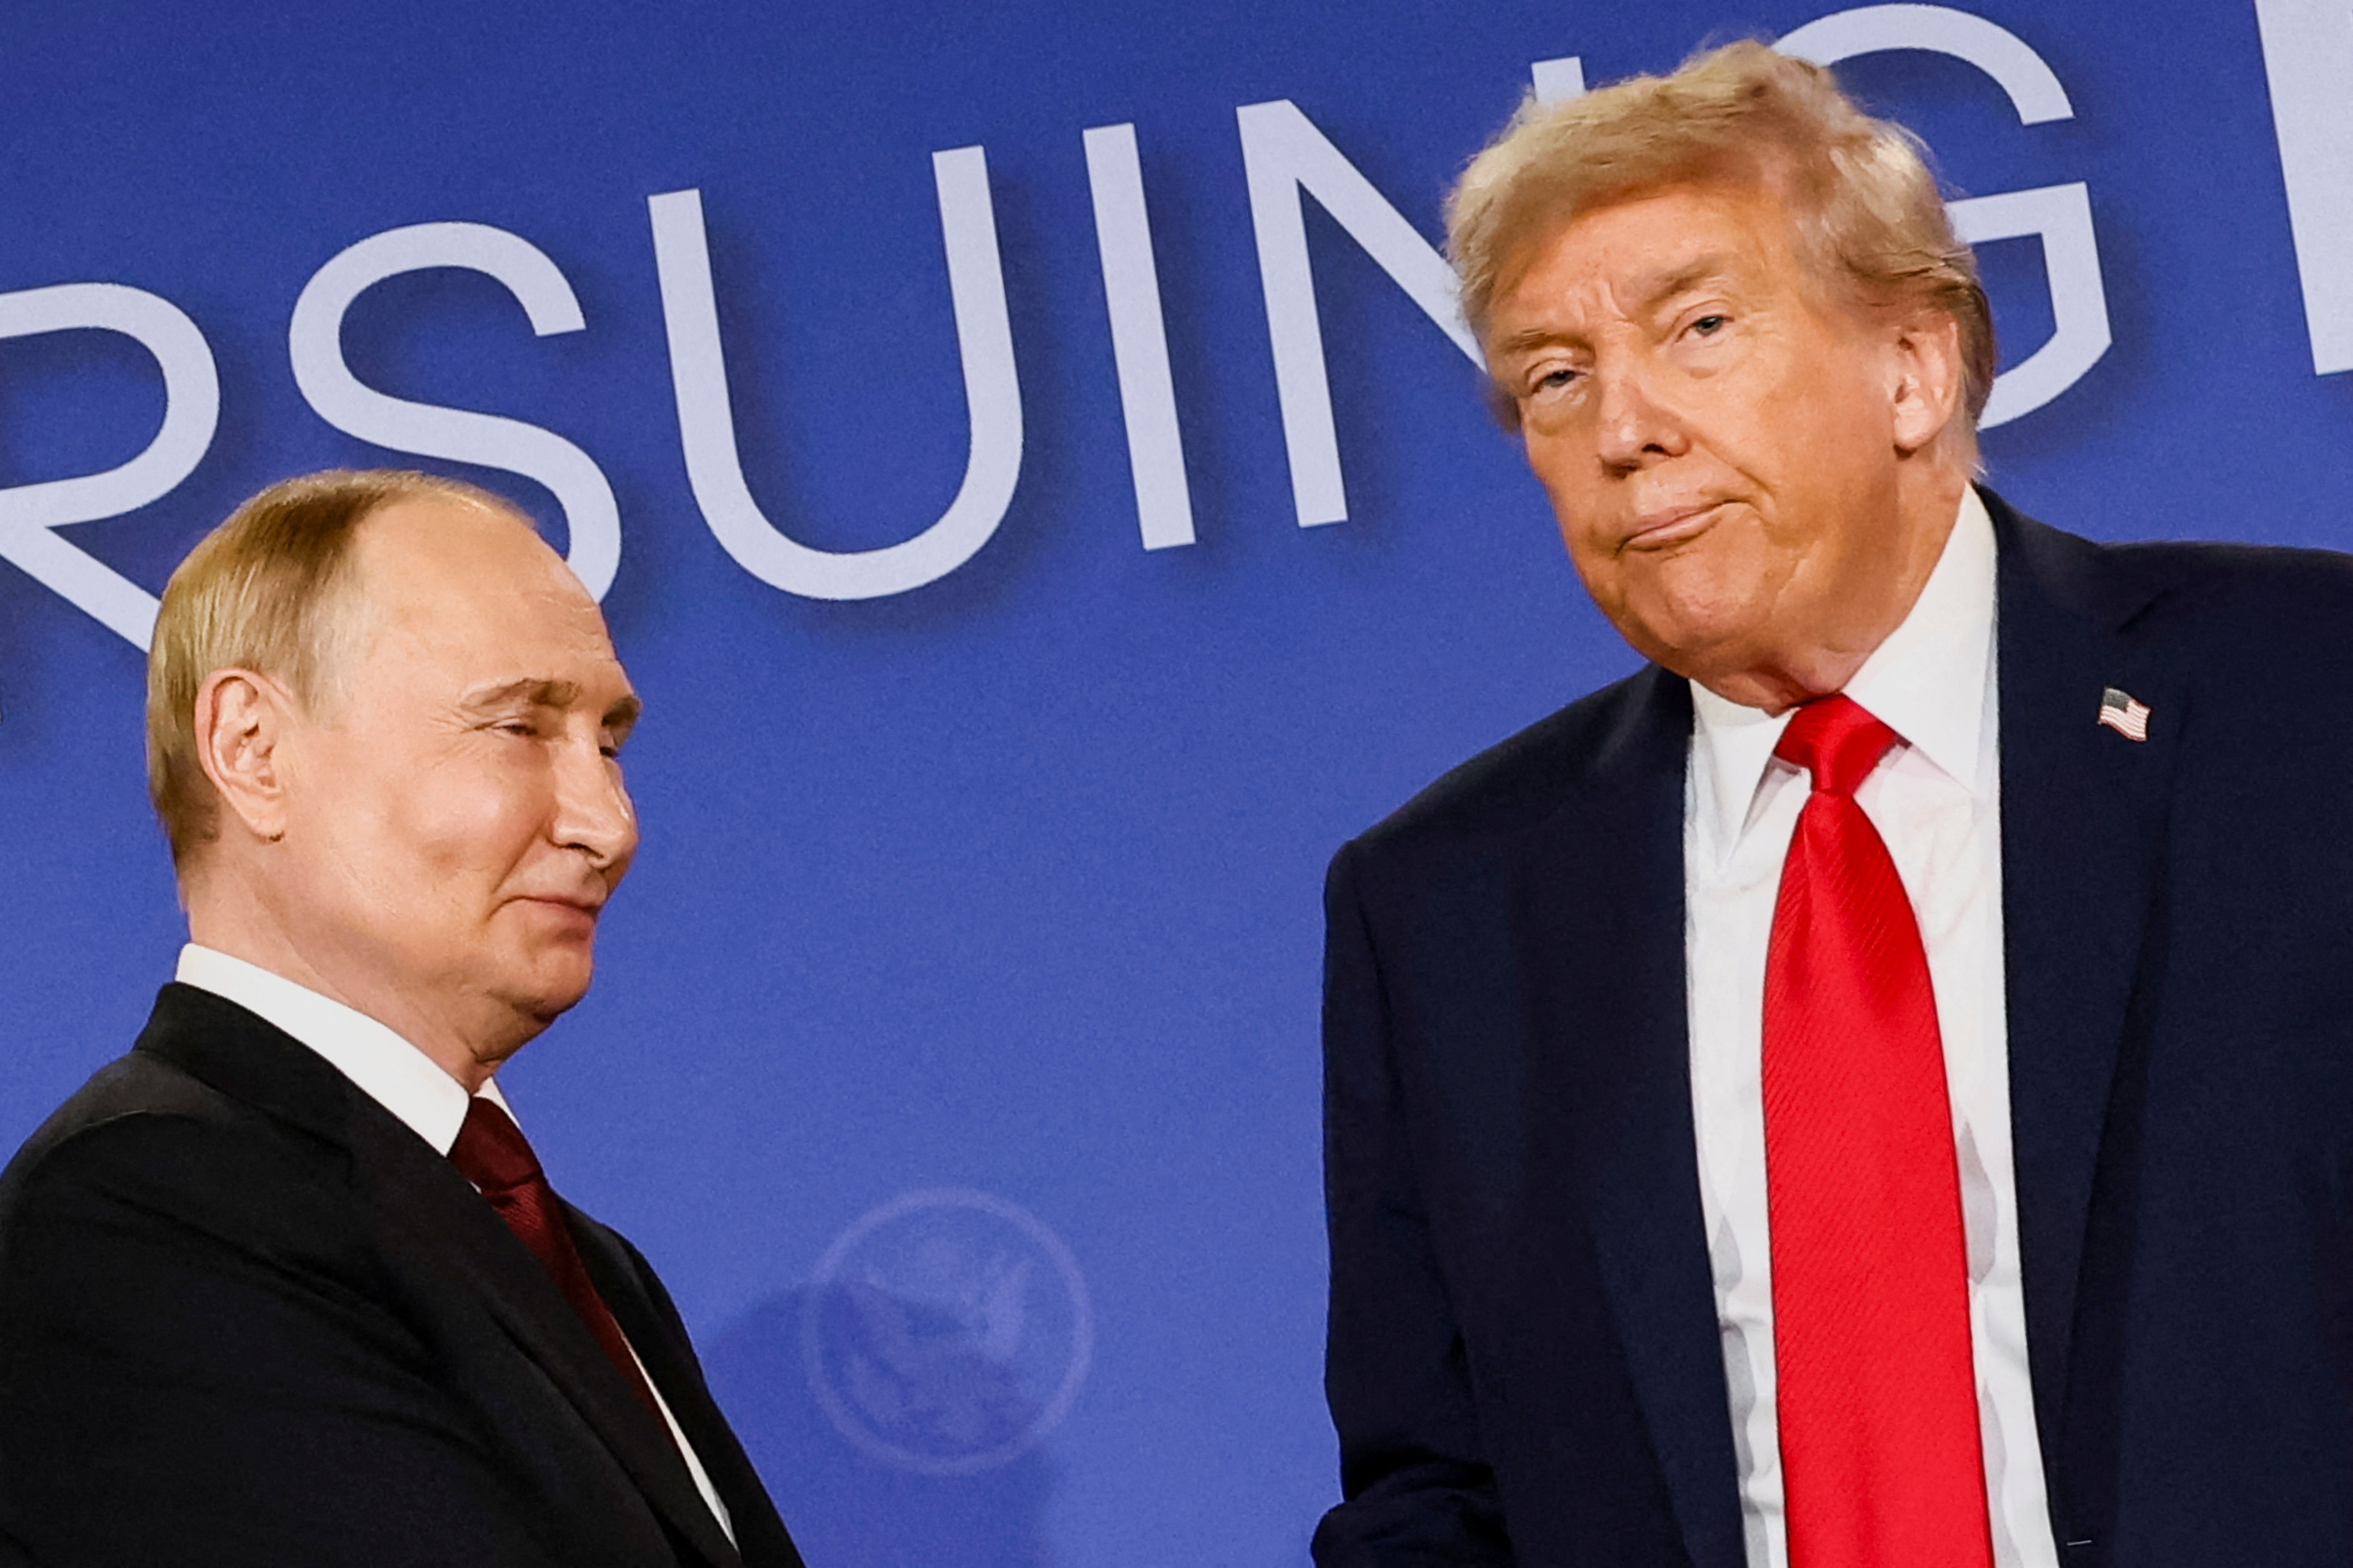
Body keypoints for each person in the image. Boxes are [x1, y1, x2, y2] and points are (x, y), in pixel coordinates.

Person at [1316, 40, 2353, 1568]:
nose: (1621, 428)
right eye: (1554, 377)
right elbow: (1435, 1489)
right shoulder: (1448, 907)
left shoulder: (2304, 700)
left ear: (1912, 369)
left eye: (1698, 327)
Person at [0, 471, 804, 1567]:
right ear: (252, 749)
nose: (607, 823)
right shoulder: (140, 1213)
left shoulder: (584, 1261)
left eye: (609, 744)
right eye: (517, 726)